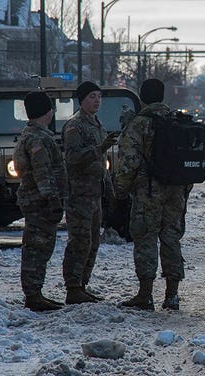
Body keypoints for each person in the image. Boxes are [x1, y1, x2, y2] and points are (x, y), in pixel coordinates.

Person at [114, 78, 189, 311]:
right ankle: (172, 295)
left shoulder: (139, 123)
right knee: (171, 238)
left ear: (142, 98)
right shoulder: (177, 121)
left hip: (148, 191)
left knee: (145, 238)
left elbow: (130, 160)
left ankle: (145, 294)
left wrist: (120, 190)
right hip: (176, 190)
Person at [62, 81, 118, 304]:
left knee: (93, 242)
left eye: (99, 96)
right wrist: (100, 148)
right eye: (92, 96)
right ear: (82, 100)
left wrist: (110, 190)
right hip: (80, 194)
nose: (96, 101)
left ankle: (82, 285)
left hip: (95, 193)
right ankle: (73, 287)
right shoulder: (75, 125)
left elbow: (102, 163)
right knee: (80, 242)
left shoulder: (96, 124)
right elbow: (73, 159)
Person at [13, 91, 67, 312]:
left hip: (35, 200)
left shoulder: (31, 134)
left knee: (38, 247)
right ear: (48, 111)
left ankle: (35, 293)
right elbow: (42, 171)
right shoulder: (39, 138)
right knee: (37, 248)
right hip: (40, 202)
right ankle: (33, 296)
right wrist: (52, 199)